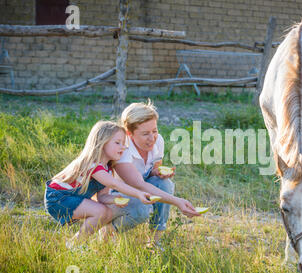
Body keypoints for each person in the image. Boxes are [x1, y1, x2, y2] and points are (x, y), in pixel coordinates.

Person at [44, 121, 155, 248]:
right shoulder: (93, 164)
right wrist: (139, 193)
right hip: (58, 198)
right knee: (101, 211)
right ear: (102, 142)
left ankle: (75, 243)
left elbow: (101, 197)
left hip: (71, 198)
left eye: (124, 144)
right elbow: (115, 185)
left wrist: (115, 199)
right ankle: (75, 245)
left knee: (106, 212)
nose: (123, 147)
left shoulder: (107, 169)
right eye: (117, 143)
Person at [108, 100, 200, 249]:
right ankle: (108, 230)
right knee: (142, 208)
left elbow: (152, 170)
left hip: (139, 188)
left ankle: (154, 243)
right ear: (129, 134)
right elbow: (139, 184)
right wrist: (178, 202)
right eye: (145, 134)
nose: (152, 138)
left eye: (154, 131)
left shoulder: (158, 141)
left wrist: (156, 172)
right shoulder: (122, 149)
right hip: (117, 194)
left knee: (164, 184)